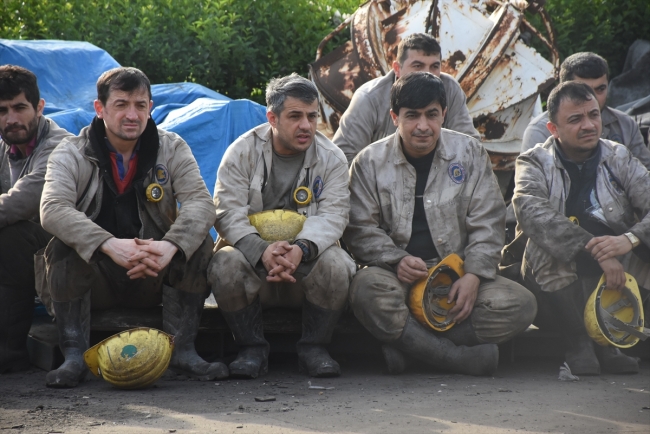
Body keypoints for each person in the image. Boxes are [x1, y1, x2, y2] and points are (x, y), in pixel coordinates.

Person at [39, 67, 227, 388]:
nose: (132, 115)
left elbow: (200, 203)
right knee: (61, 246)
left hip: (152, 270)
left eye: (141, 105)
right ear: (100, 109)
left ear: (151, 108)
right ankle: (73, 354)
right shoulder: (71, 152)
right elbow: (52, 209)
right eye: (121, 104)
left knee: (197, 242)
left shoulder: (172, 147)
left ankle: (182, 348)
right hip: (95, 278)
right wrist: (110, 245)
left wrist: (169, 247)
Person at [343, 72, 536, 376]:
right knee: (365, 290)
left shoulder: (469, 153)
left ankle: (411, 350)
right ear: (395, 117)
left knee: (520, 304)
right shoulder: (368, 162)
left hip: (455, 277)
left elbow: (488, 222)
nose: (423, 126)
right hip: (398, 277)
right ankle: (456, 358)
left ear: (444, 114)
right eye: (412, 116)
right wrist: (396, 259)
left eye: (432, 115)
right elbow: (359, 229)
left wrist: (473, 276)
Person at [208, 74, 355, 379]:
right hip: (254, 267)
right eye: (295, 116)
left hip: (305, 268)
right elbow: (226, 212)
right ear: (272, 117)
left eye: (312, 116)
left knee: (339, 263)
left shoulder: (332, 159)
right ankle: (251, 349)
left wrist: (301, 249)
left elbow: (334, 216)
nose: (306, 125)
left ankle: (314, 348)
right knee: (224, 263)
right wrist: (261, 251)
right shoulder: (241, 152)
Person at [513, 81, 649, 375]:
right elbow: (531, 212)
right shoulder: (534, 161)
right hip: (554, 289)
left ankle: (611, 340)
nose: (588, 125)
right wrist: (597, 251)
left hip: (615, 277)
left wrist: (630, 239)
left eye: (593, 115)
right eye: (575, 119)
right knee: (542, 243)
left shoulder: (619, 157)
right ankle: (578, 342)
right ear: (553, 129)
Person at [0, 65, 71, 374]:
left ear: (39, 107)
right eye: (2, 110)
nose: (11, 119)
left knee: (9, 240)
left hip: (69, 254)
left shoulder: (59, 147)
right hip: (31, 247)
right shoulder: (5, 145)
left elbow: (17, 205)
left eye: (19, 108)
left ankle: (9, 352)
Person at [333, 32, 479, 164]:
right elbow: (341, 157)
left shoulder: (450, 89)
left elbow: (470, 146)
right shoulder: (369, 98)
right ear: (397, 69)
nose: (427, 74)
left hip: (438, 179)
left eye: (434, 66)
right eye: (417, 66)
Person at [521, 52, 650, 169]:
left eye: (601, 89)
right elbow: (532, 188)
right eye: (583, 91)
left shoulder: (625, 124)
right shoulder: (539, 132)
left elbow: (645, 178)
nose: (592, 98)